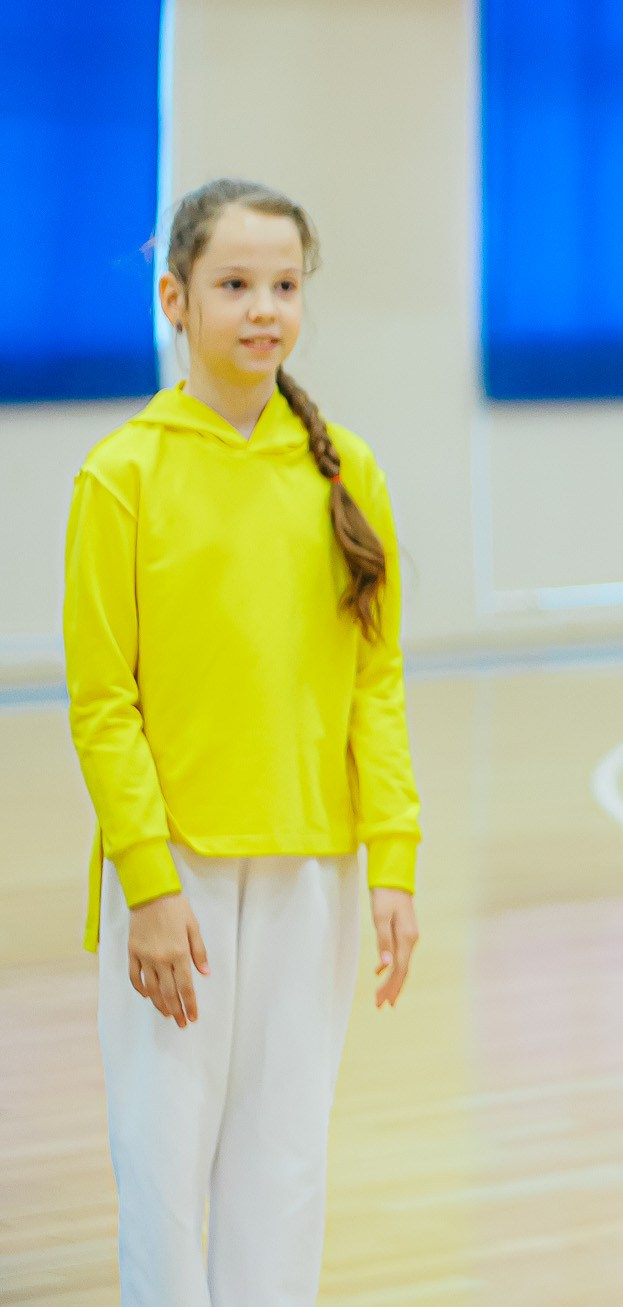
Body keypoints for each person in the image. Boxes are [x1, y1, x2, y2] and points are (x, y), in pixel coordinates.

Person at [65, 178, 421, 1307]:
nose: (263, 309)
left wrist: (393, 863)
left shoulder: (344, 472)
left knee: (283, 1171)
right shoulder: (122, 474)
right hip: (175, 881)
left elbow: (377, 681)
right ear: (176, 297)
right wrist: (149, 883)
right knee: (164, 1180)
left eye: (283, 285)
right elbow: (101, 704)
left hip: (313, 871)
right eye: (234, 285)